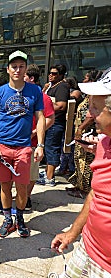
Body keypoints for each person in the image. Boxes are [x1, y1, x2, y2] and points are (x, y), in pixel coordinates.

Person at [51, 69, 111, 278]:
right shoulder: (104, 142)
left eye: (96, 107)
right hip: (88, 250)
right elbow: (97, 193)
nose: (90, 113)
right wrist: (72, 233)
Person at [0, 50, 45, 238]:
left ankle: (20, 218)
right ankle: (7, 219)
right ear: (8, 69)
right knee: (4, 186)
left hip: (24, 147)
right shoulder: (0, 92)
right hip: (3, 146)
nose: (18, 70)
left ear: (25, 69)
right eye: (14, 66)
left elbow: (41, 117)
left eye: (21, 66)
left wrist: (40, 145)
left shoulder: (35, 91)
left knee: (22, 187)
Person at [67, 70, 102, 199]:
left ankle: (85, 189)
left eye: (87, 78)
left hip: (87, 134)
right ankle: (79, 184)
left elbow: (90, 116)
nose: (85, 80)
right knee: (78, 159)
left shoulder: (95, 96)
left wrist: (80, 129)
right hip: (80, 133)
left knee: (85, 161)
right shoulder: (88, 95)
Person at [24, 64, 55, 211]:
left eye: (23, 75)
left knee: (31, 173)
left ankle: (27, 197)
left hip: (32, 143)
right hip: (16, 142)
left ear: (31, 78)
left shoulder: (44, 98)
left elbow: (50, 119)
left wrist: (35, 132)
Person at [37, 64, 70, 186]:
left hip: (56, 123)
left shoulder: (62, 87)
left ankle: (50, 178)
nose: (51, 75)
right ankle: (47, 173)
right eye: (50, 72)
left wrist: (46, 108)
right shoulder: (52, 86)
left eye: (54, 73)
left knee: (52, 149)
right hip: (50, 123)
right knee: (48, 149)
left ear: (61, 75)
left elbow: (61, 105)